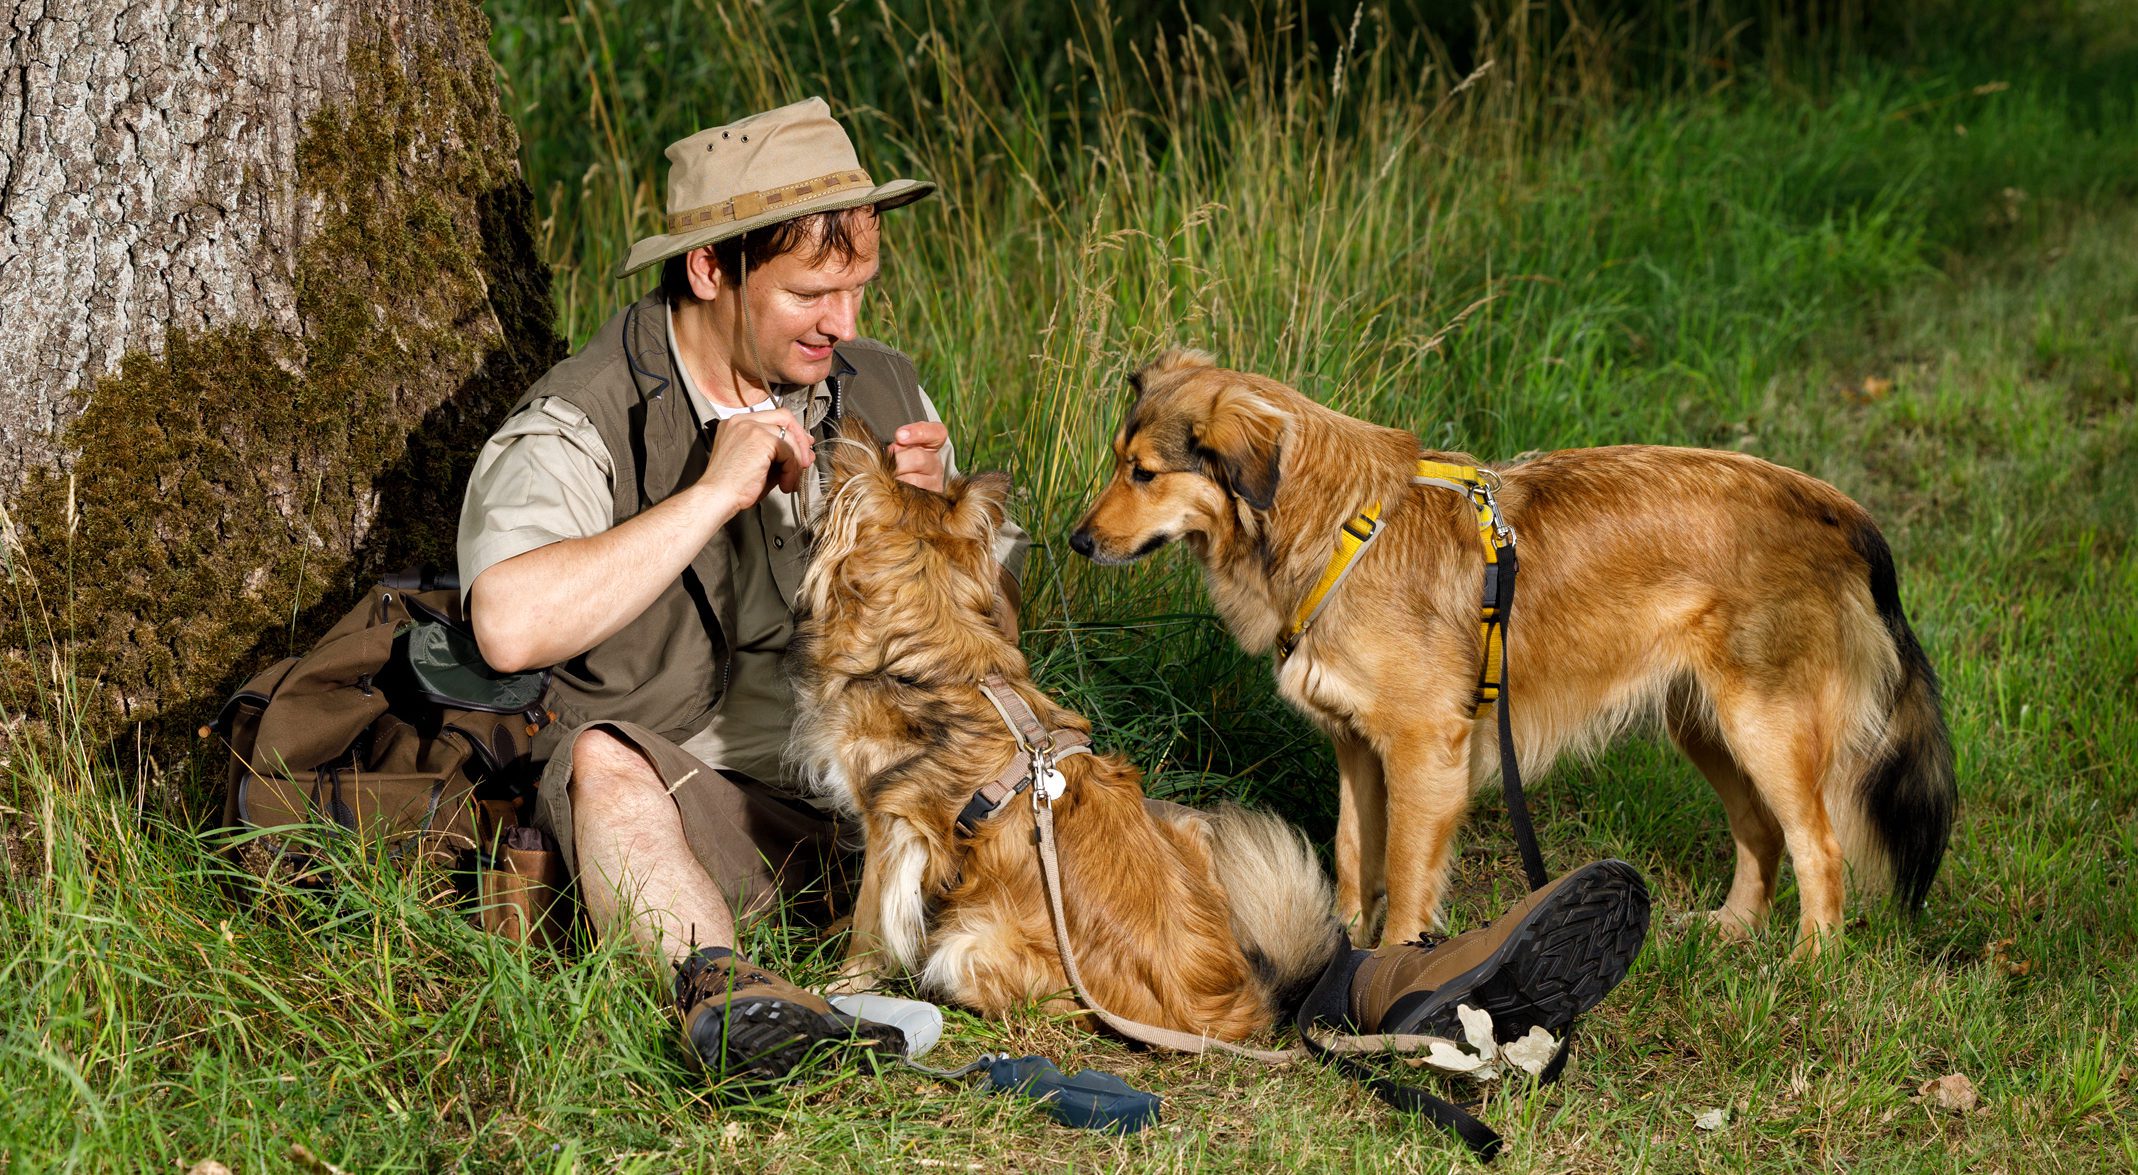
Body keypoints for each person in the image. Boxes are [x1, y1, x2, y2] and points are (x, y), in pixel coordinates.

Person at [456, 97, 1026, 1081]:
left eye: (856, 288)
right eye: (810, 293)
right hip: (690, 811)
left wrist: (939, 537)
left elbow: (999, 641)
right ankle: (730, 1001)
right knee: (600, 759)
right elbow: (507, 625)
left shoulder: (883, 386)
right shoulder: (586, 414)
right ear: (711, 266)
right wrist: (712, 494)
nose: (841, 323)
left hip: (880, 810)